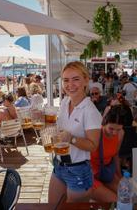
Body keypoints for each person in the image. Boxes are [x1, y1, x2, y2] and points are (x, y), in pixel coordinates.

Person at [48, 61, 102, 204]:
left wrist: (71, 139)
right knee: (53, 207)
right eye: (66, 80)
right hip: (59, 165)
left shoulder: (90, 111)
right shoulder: (65, 101)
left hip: (78, 171)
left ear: (86, 80)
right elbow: (60, 128)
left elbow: (93, 145)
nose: (70, 85)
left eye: (76, 79)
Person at [90, 105, 126, 202]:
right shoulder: (96, 132)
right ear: (105, 122)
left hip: (106, 172)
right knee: (115, 201)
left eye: (118, 129)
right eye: (111, 128)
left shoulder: (121, 134)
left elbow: (115, 155)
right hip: (90, 175)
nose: (114, 133)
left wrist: (119, 176)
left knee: (127, 197)